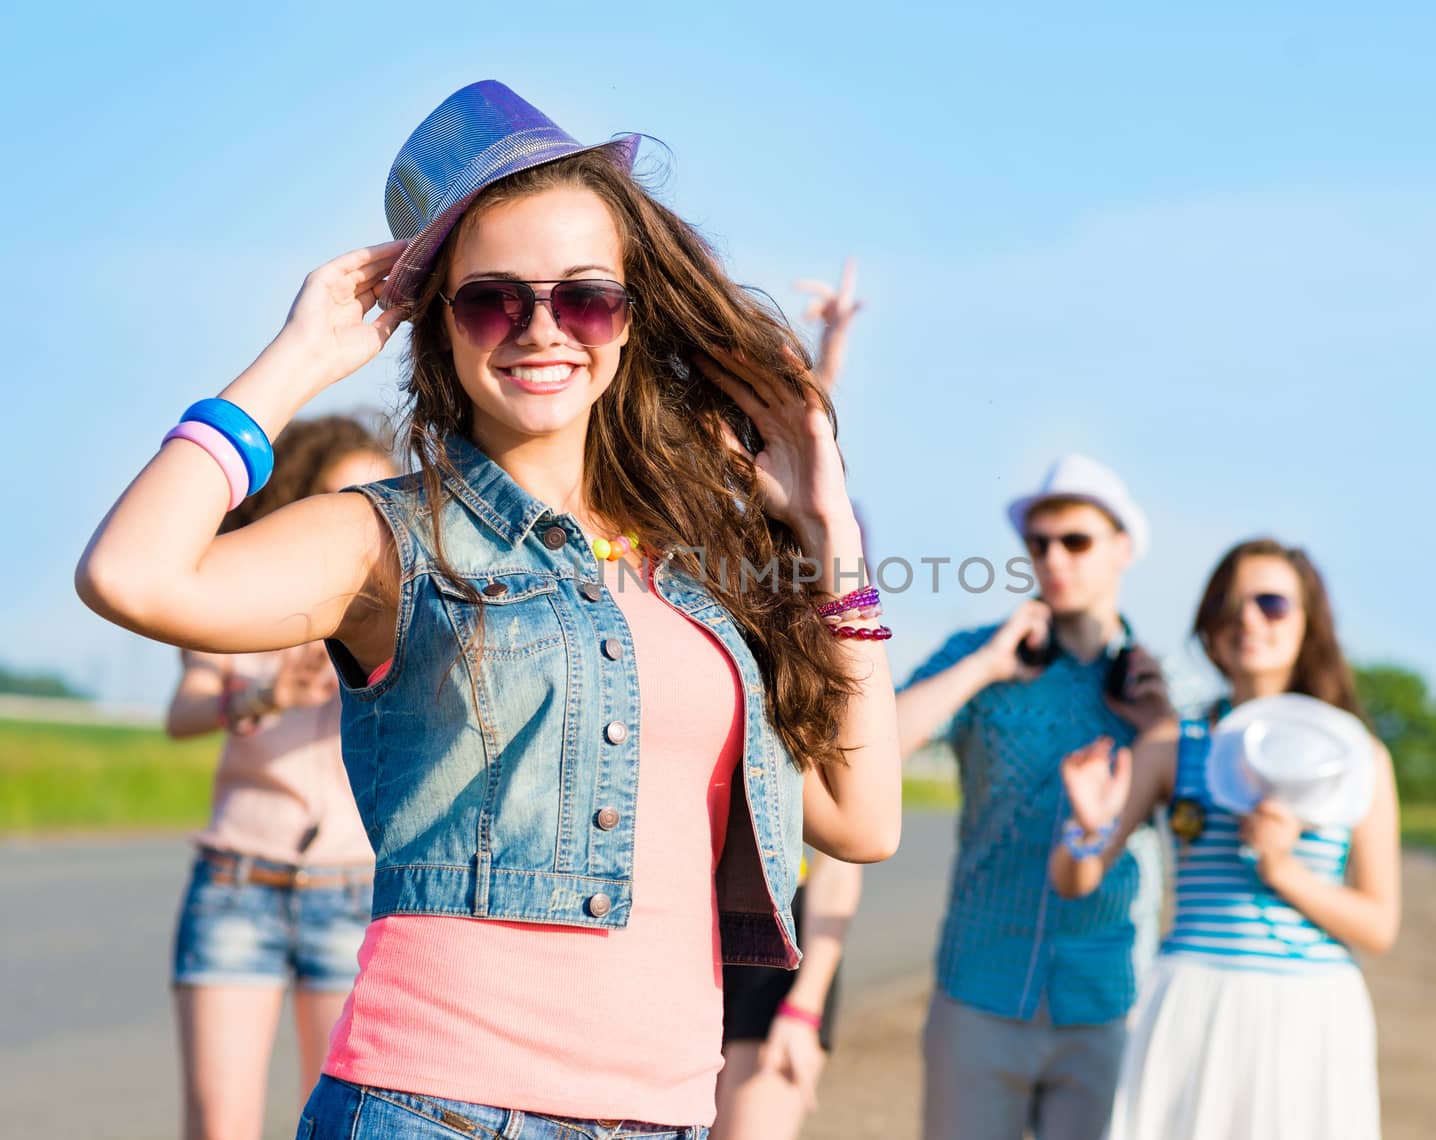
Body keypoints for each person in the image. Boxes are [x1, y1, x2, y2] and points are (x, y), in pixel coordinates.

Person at [76, 80, 901, 1140]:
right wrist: (298, 360)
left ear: (630, 319)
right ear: (445, 326)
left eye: (585, 297)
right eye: (492, 300)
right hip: (438, 1109)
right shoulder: (385, 538)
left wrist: (835, 543)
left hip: (664, 1118)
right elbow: (132, 577)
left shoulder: (701, 571)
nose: (540, 329)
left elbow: (861, 816)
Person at [1051, 538, 1400, 1140]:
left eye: (1272, 603)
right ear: (1208, 627)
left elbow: (1378, 925)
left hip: (1312, 1012)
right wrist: (1086, 824)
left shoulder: (1360, 756)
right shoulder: (1172, 746)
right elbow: (1073, 878)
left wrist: (1283, 868)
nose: (1248, 620)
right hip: (1194, 1000)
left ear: (1308, 622)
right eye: (1228, 605)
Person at [896, 455, 1165, 1140]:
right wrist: (984, 667)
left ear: (1123, 549)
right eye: (1039, 543)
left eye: (1075, 541)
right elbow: (873, 747)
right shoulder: (977, 652)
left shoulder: (1162, 688)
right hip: (980, 986)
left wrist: (1161, 730)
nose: (1053, 557)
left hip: (1104, 998)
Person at [164, 414, 393, 1140]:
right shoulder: (241, 594)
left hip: (354, 891)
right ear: (301, 498)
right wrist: (266, 695)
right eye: (338, 495)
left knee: (332, 1123)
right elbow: (183, 712)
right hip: (238, 882)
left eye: (376, 497)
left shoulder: (402, 613)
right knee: (219, 1123)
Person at [713, 262, 866, 1140]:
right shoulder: (694, 571)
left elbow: (850, 838)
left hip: (785, 940)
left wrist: (807, 1008)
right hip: (682, 924)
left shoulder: (830, 635)